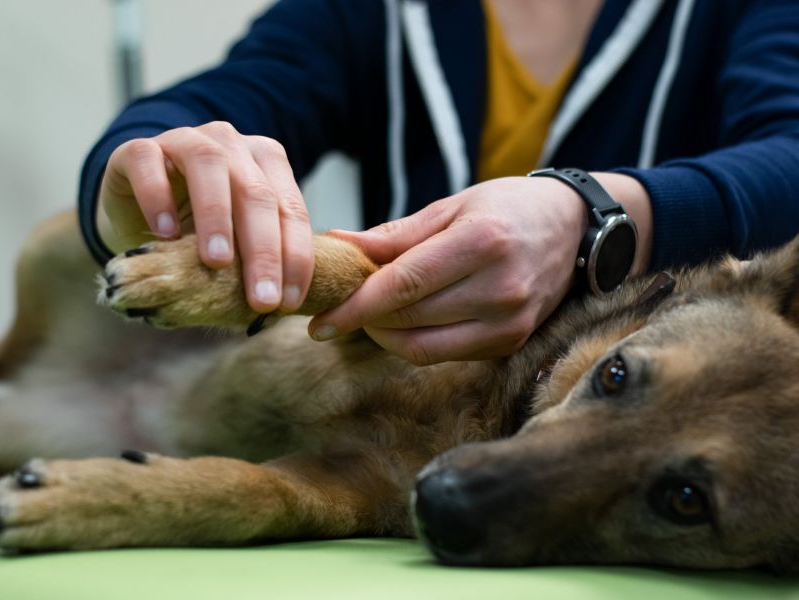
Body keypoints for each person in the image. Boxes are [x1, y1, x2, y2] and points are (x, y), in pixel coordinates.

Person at [78, 0, 799, 365]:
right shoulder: (366, 14)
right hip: (387, 426)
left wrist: (595, 219)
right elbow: (204, 107)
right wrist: (133, 185)